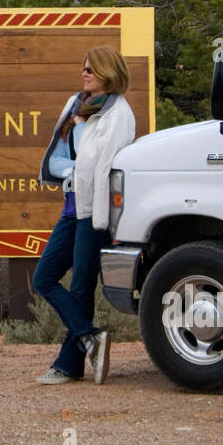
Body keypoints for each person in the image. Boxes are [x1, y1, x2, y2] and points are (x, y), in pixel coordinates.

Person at [31, 45, 136, 385]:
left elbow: (104, 168)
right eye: (84, 67)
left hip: (95, 211)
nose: (84, 73)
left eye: (91, 69)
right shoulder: (75, 105)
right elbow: (57, 161)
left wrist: (76, 170)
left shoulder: (118, 115)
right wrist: (77, 169)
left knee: (81, 288)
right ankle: (90, 337)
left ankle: (68, 365)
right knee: (43, 278)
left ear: (108, 73)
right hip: (72, 207)